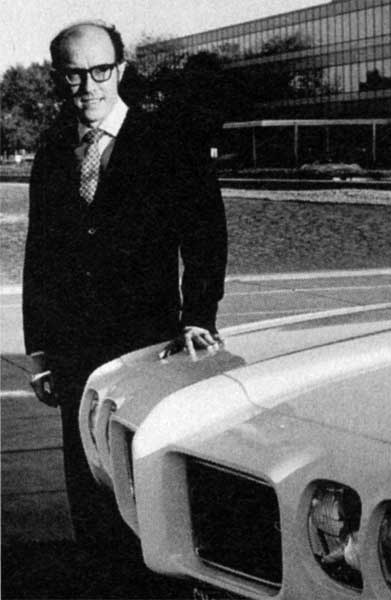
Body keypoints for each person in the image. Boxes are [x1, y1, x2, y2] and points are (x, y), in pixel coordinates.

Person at [23, 21, 227, 549]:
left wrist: (198, 318)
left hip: (148, 344)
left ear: (120, 69)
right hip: (73, 353)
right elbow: (40, 252)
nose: (88, 87)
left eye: (99, 71)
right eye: (72, 75)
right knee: (86, 490)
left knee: (146, 488)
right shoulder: (51, 152)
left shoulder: (169, 143)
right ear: (58, 78)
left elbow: (205, 239)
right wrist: (41, 349)